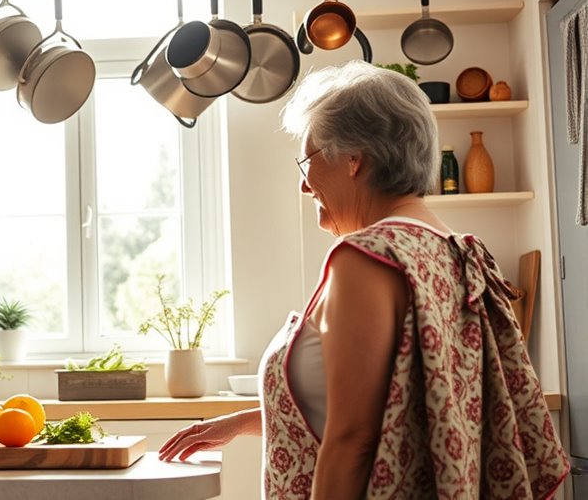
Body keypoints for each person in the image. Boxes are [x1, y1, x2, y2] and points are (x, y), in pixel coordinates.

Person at [158, 61, 570, 498]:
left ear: (354, 159)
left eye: (308, 160)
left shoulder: (366, 258)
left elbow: (353, 439)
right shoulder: (455, 252)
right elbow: (397, 406)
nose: (304, 185)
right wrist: (244, 422)